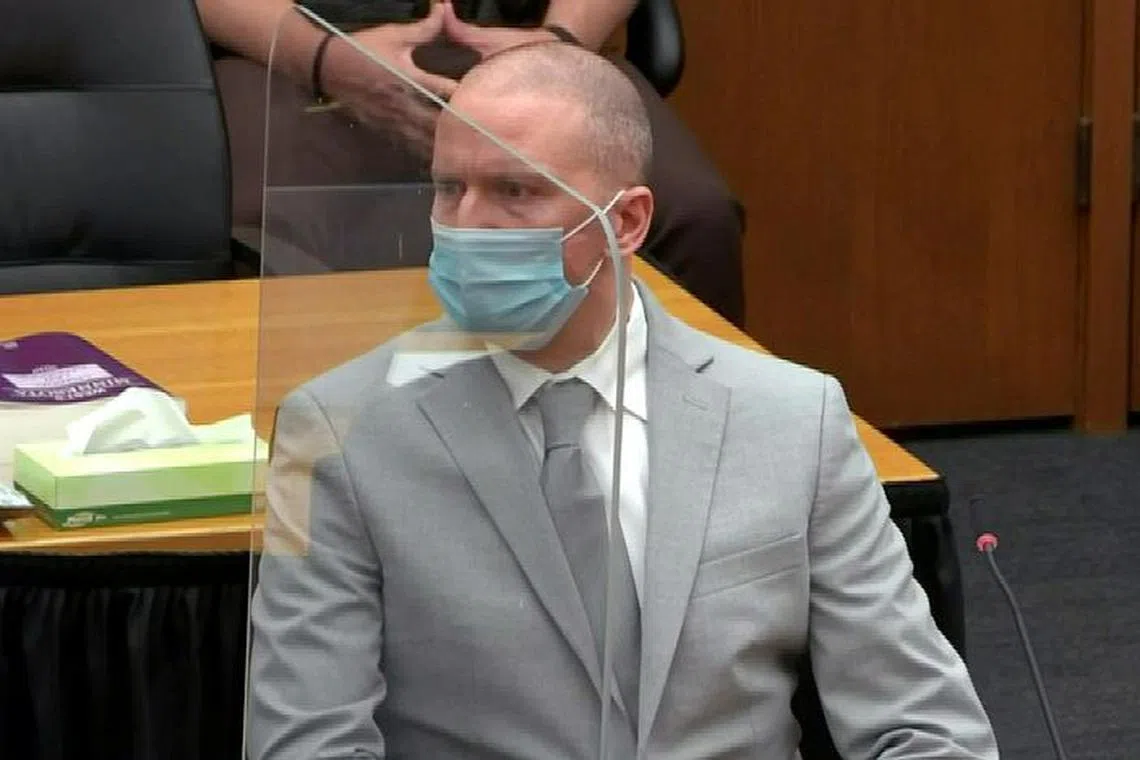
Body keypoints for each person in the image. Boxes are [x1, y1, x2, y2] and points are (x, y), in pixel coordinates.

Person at [247, 42, 998, 759]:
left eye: (515, 191)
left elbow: (923, 725)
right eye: (450, 187)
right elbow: (307, 742)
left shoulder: (794, 420)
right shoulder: (338, 432)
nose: (467, 225)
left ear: (627, 221)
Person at [197, 0, 746, 325]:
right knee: (265, 223)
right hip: (293, 50)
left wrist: (558, 41)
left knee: (694, 215)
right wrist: (318, 57)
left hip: (534, 39)